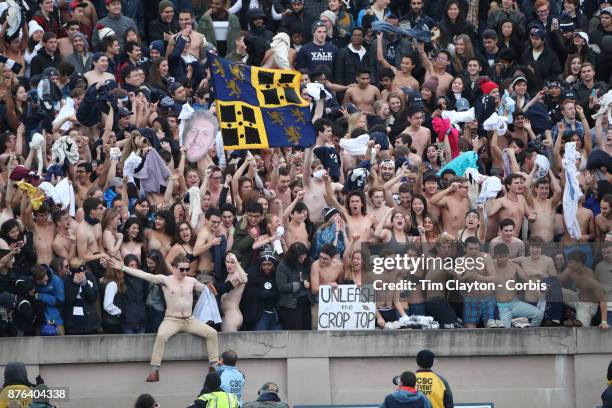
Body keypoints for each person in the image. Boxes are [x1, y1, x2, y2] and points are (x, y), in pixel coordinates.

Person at [108, 254, 220, 382]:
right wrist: (123, 268)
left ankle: (213, 367)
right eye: (181, 269)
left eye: (187, 269)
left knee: (212, 333)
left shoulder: (191, 281)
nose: (185, 272)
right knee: (161, 336)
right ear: (173, 268)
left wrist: (210, 285)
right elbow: (144, 275)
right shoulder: (165, 280)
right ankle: (154, 370)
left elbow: (207, 291)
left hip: (190, 320)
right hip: (172, 320)